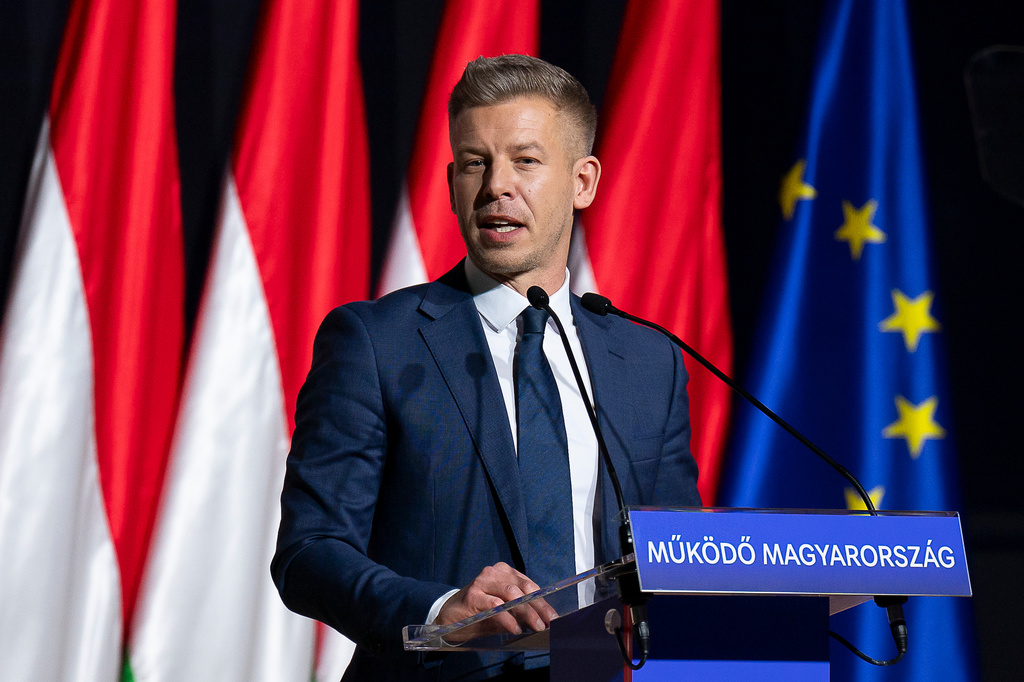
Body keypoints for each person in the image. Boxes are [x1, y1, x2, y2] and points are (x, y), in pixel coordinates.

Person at [271, 54, 701, 681]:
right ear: (451, 185)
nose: (497, 185)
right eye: (476, 162)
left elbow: (678, 559)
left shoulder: (646, 361)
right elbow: (309, 554)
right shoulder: (375, 343)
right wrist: (441, 613)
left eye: (526, 161)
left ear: (583, 182)